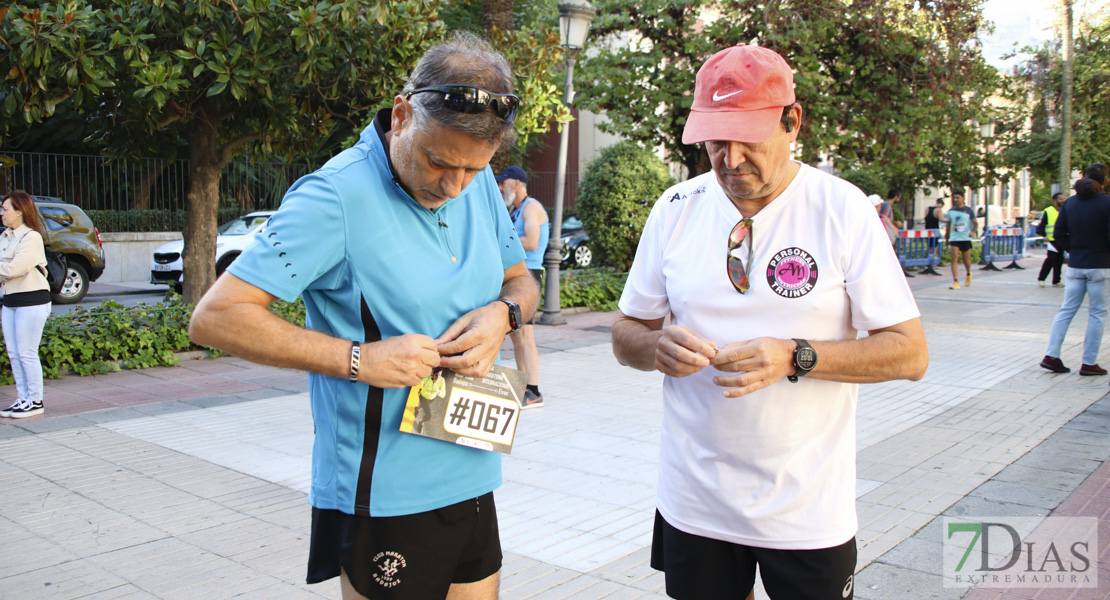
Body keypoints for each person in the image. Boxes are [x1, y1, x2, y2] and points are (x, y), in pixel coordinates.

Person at [189, 32, 538, 600]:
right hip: (385, 488)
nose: (454, 187)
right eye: (439, 162)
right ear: (402, 116)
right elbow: (215, 317)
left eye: (475, 171)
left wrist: (503, 315)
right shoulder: (332, 197)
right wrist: (359, 359)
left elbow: (520, 280)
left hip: (474, 465)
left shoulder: (470, 181)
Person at [610, 44, 929, 600]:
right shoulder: (676, 207)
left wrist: (795, 355)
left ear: (792, 122)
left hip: (807, 511)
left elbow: (909, 353)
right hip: (695, 503)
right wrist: (656, 346)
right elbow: (625, 334)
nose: (730, 158)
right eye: (715, 138)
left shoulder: (842, 208)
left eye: (747, 136)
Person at [1038, 164, 1110, 376]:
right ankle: (1088, 363)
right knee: (1097, 313)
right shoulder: (1107, 203)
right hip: (1100, 266)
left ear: (1084, 177)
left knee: (1066, 310)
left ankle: (1051, 355)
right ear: (1105, 181)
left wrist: (1073, 250)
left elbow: (1058, 234)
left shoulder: (1069, 203)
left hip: (1075, 265)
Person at [496, 165, 548, 409]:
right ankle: (523, 387)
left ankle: (534, 391)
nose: (499, 187)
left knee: (526, 336)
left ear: (515, 183)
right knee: (517, 336)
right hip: (519, 275)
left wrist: (500, 242)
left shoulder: (532, 207)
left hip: (530, 275)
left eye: (502, 182)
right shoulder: (516, 210)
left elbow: (532, 241)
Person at [0, 191, 52, 419]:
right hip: (10, 301)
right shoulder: (5, 236)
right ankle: (23, 399)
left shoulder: (31, 238)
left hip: (32, 301)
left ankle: (35, 400)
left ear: (19, 211)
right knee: (13, 353)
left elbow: (13, 269)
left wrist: (7, 265)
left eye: (5, 209)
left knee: (26, 352)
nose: (1, 213)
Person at [942, 191, 977, 289]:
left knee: (966, 260)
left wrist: (973, 231)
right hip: (954, 237)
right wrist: (947, 237)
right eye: (954, 198)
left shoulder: (968, 210)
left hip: (965, 238)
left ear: (963, 198)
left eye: (958, 197)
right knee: (954, 258)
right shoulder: (951, 211)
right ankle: (955, 281)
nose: (955, 200)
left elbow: (975, 223)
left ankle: (968, 274)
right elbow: (948, 225)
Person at [1036, 192, 1066, 288]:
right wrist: (1043, 235)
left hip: (1061, 239)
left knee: (1059, 260)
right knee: (1050, 259)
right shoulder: (1048, 211)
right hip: (1051, 240)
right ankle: (1042, 279)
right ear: (1055, 200)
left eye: (1063, 199)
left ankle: (1056, 280)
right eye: (1060, 199)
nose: (1063, 201)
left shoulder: (1064, 210)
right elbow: (1042, 225)